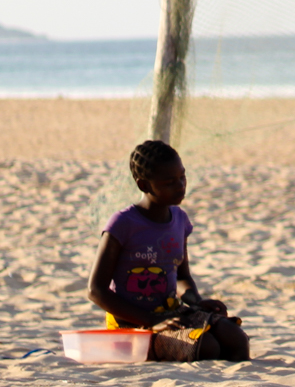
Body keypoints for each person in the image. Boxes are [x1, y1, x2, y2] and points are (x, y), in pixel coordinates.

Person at [86, 140, 250, 363]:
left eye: (182, 177)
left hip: (171, 313)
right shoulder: (123, 224)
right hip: (133, 322)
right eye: (169, 182)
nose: (180, 185)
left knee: (236, 338)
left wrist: (195, 301)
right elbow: (96, 291)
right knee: (208, 348)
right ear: (144, 185)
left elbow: (181, 277)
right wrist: (150, 320)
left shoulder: (179, 220)